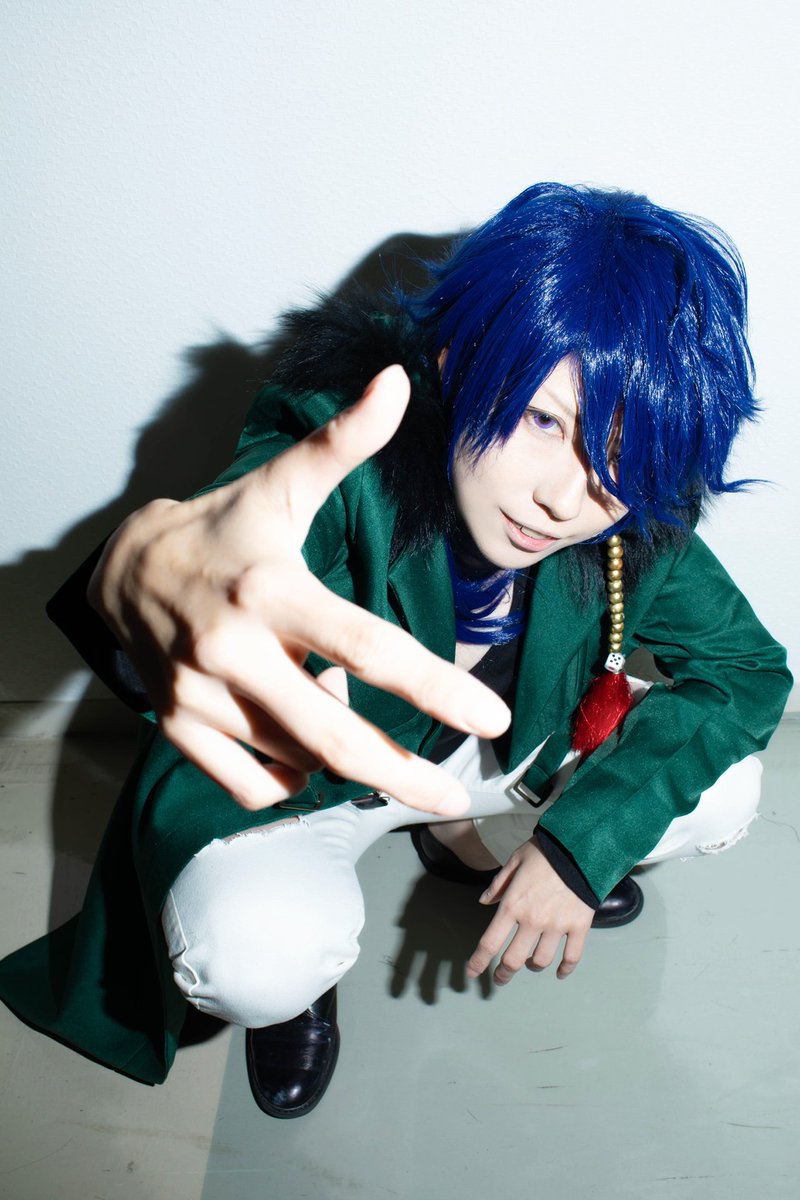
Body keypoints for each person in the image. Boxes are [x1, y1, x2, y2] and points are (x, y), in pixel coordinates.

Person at [0, 183, 791, 1120]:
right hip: (306, 785)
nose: (565, 497)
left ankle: (473, 849)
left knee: (728, 788)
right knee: (257, 955)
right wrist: (144, 565)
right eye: (544, 420)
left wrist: (582, 849)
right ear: (459, 361)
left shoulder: (626, 522)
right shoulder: (345, 456)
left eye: (623, 455)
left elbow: (749, 671)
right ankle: (303, 984)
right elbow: (234, 526)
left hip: (495, 768)